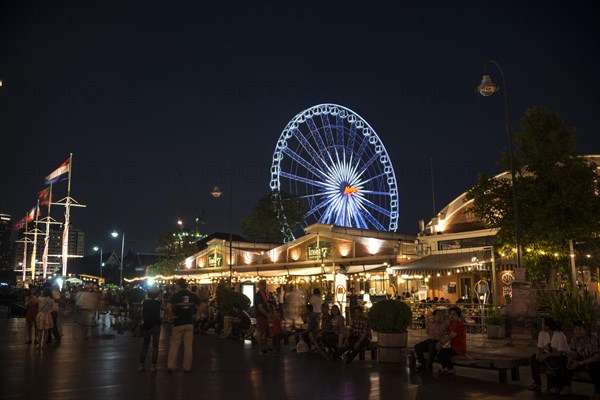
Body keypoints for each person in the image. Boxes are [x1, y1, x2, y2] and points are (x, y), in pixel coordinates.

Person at [527, 316, 569, 392]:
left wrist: (546, 355)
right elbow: (539, 348)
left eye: (542, 324)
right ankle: (537, 383)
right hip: (547, 355)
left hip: (560, 357)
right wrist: (538, 355)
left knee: (553, 362)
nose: (541, 325)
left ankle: (556, 386)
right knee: (534, 359)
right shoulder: (541, 334)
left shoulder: (560, 335)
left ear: (547, 326)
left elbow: (559, 353)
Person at [166, 278, 200, 373]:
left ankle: (171, 365)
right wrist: (197, 314)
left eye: (176, 285)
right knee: (188, 345)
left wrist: (170, 315)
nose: (175, 287)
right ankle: (187, 367)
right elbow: (203, 305)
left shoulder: (175, 296)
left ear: (179, 285)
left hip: (178, 322)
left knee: (174, 344)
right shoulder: (192, 295)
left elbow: (168, 306)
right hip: (189, 322)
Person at [564, 320, 600, 398]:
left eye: (580, 329)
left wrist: (580, 363)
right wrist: (570, 358)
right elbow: (574, 353)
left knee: (594, 367)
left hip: (592, 360)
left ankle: (598, 393)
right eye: (576, 329)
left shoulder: (593, 339)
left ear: (585, 330)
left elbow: (596, 357)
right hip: (581, 360)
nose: (578, 332)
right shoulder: (574, 338)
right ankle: (567, 387)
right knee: (567, 363)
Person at [436, 306, 467, 375]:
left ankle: (451, 368)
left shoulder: (460, 325)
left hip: (459, 348)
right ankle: (445, 368)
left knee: (442, 352)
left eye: (454, 314)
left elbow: (450, 336)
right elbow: (445, 333)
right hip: (453, 347)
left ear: (458, 315)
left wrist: (441, 344)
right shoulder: (451, 324)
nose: (451, 316)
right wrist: (439, 342)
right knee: (438, 351)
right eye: (450, 314)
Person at [138, 287, 163, 372]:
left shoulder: (144, 302)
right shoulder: (158, 302)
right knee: (155, 347)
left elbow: (141, 313)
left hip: (146, 325)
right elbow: (164, 308)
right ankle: (153, 366)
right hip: (156, 325)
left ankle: (141, 365)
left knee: (145, 346)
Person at [254, 280, 270, 355]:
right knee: (261, 332)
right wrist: (267, 314)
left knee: (265, 332)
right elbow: (260, 307)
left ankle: (264, 348)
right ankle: (260, 349)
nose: (265, 286)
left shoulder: (263, 294)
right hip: (261, 316)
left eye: (265, 285)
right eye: (263, 285)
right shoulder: (259, 295)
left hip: (263, 315)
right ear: (260, 286)